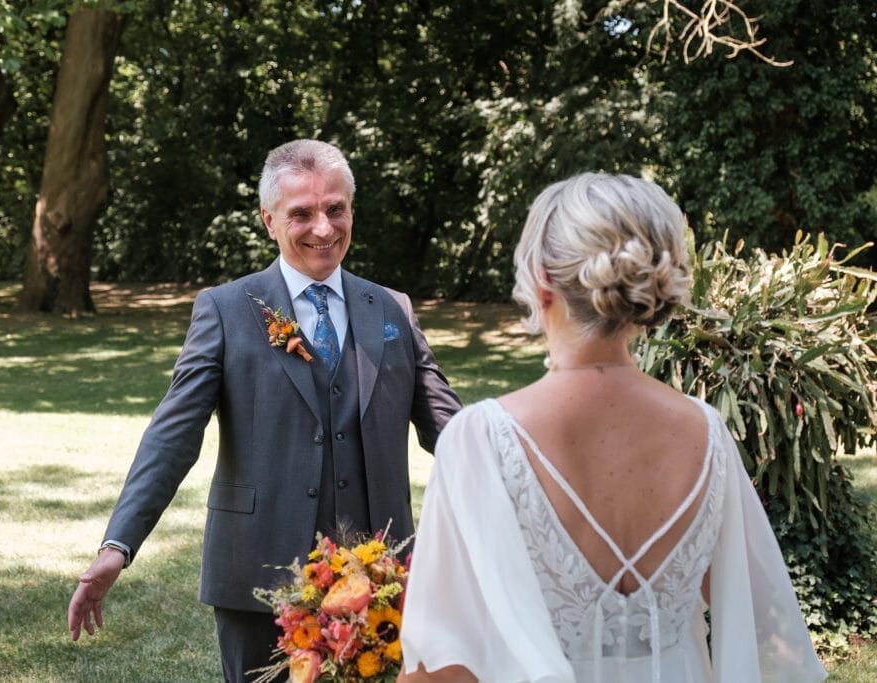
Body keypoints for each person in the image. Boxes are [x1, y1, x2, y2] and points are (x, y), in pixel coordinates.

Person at [398, 173, 826, 682]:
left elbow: (440, 667)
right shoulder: (706, 433)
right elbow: (763, 621)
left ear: (543, 280)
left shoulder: (480, 439)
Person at [67, 139, 461, 681]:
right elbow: (174, 434)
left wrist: (533, 486)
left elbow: (451, 427)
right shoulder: (226, 309)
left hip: (380, 576)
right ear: (268, 220)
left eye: (336, 209)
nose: (323, 228)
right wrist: (118, 544)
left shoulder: (391, 308)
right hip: (258, 572)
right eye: (302, 213)